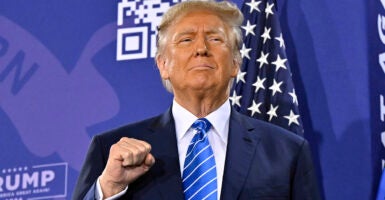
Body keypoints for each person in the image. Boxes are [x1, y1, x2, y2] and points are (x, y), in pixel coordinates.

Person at [72, 0, 321, 199]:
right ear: (163, 65)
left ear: (235, 63)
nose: (201, 48)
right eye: (186, 39)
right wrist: (109, 188)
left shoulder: (285, 151)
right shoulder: (111, 151)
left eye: (215, 38)